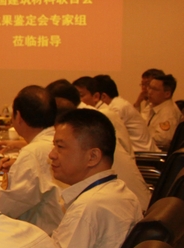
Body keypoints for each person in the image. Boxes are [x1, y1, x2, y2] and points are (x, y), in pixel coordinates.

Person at [49, 109, 142, 248]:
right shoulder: (121, 192)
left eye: (60, 147)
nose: (52, 155)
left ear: (92, 157)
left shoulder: (89, 208)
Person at [0, 86, 64, 235]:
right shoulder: (58, 141)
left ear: (18, 116)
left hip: (43, 236)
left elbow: (4, 208)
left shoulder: (33, 153)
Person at [49, 80, 150, 209]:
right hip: (127, 197)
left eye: (60, 147)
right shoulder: (87, 122)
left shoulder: (83, 127)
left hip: (126, 201)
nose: (51, 155)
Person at [73, 75, 134, 156]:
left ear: (96, 97)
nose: (77, 101)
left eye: (81, 96)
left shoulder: (103, 114)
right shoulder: (102, 110)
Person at [94, 74, 156, 152]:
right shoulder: (119, 103)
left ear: (103, 96)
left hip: (142, 153)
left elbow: (105, 135)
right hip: (138, 151)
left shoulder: (117, 108)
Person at [146, 73, 181, 151]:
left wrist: (142, 137)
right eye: (149, 87)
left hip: (158, 154)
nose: (149, 92)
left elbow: (164, 139)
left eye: (155, 89)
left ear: (167, 94)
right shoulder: (152, 107)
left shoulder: (169, 112)